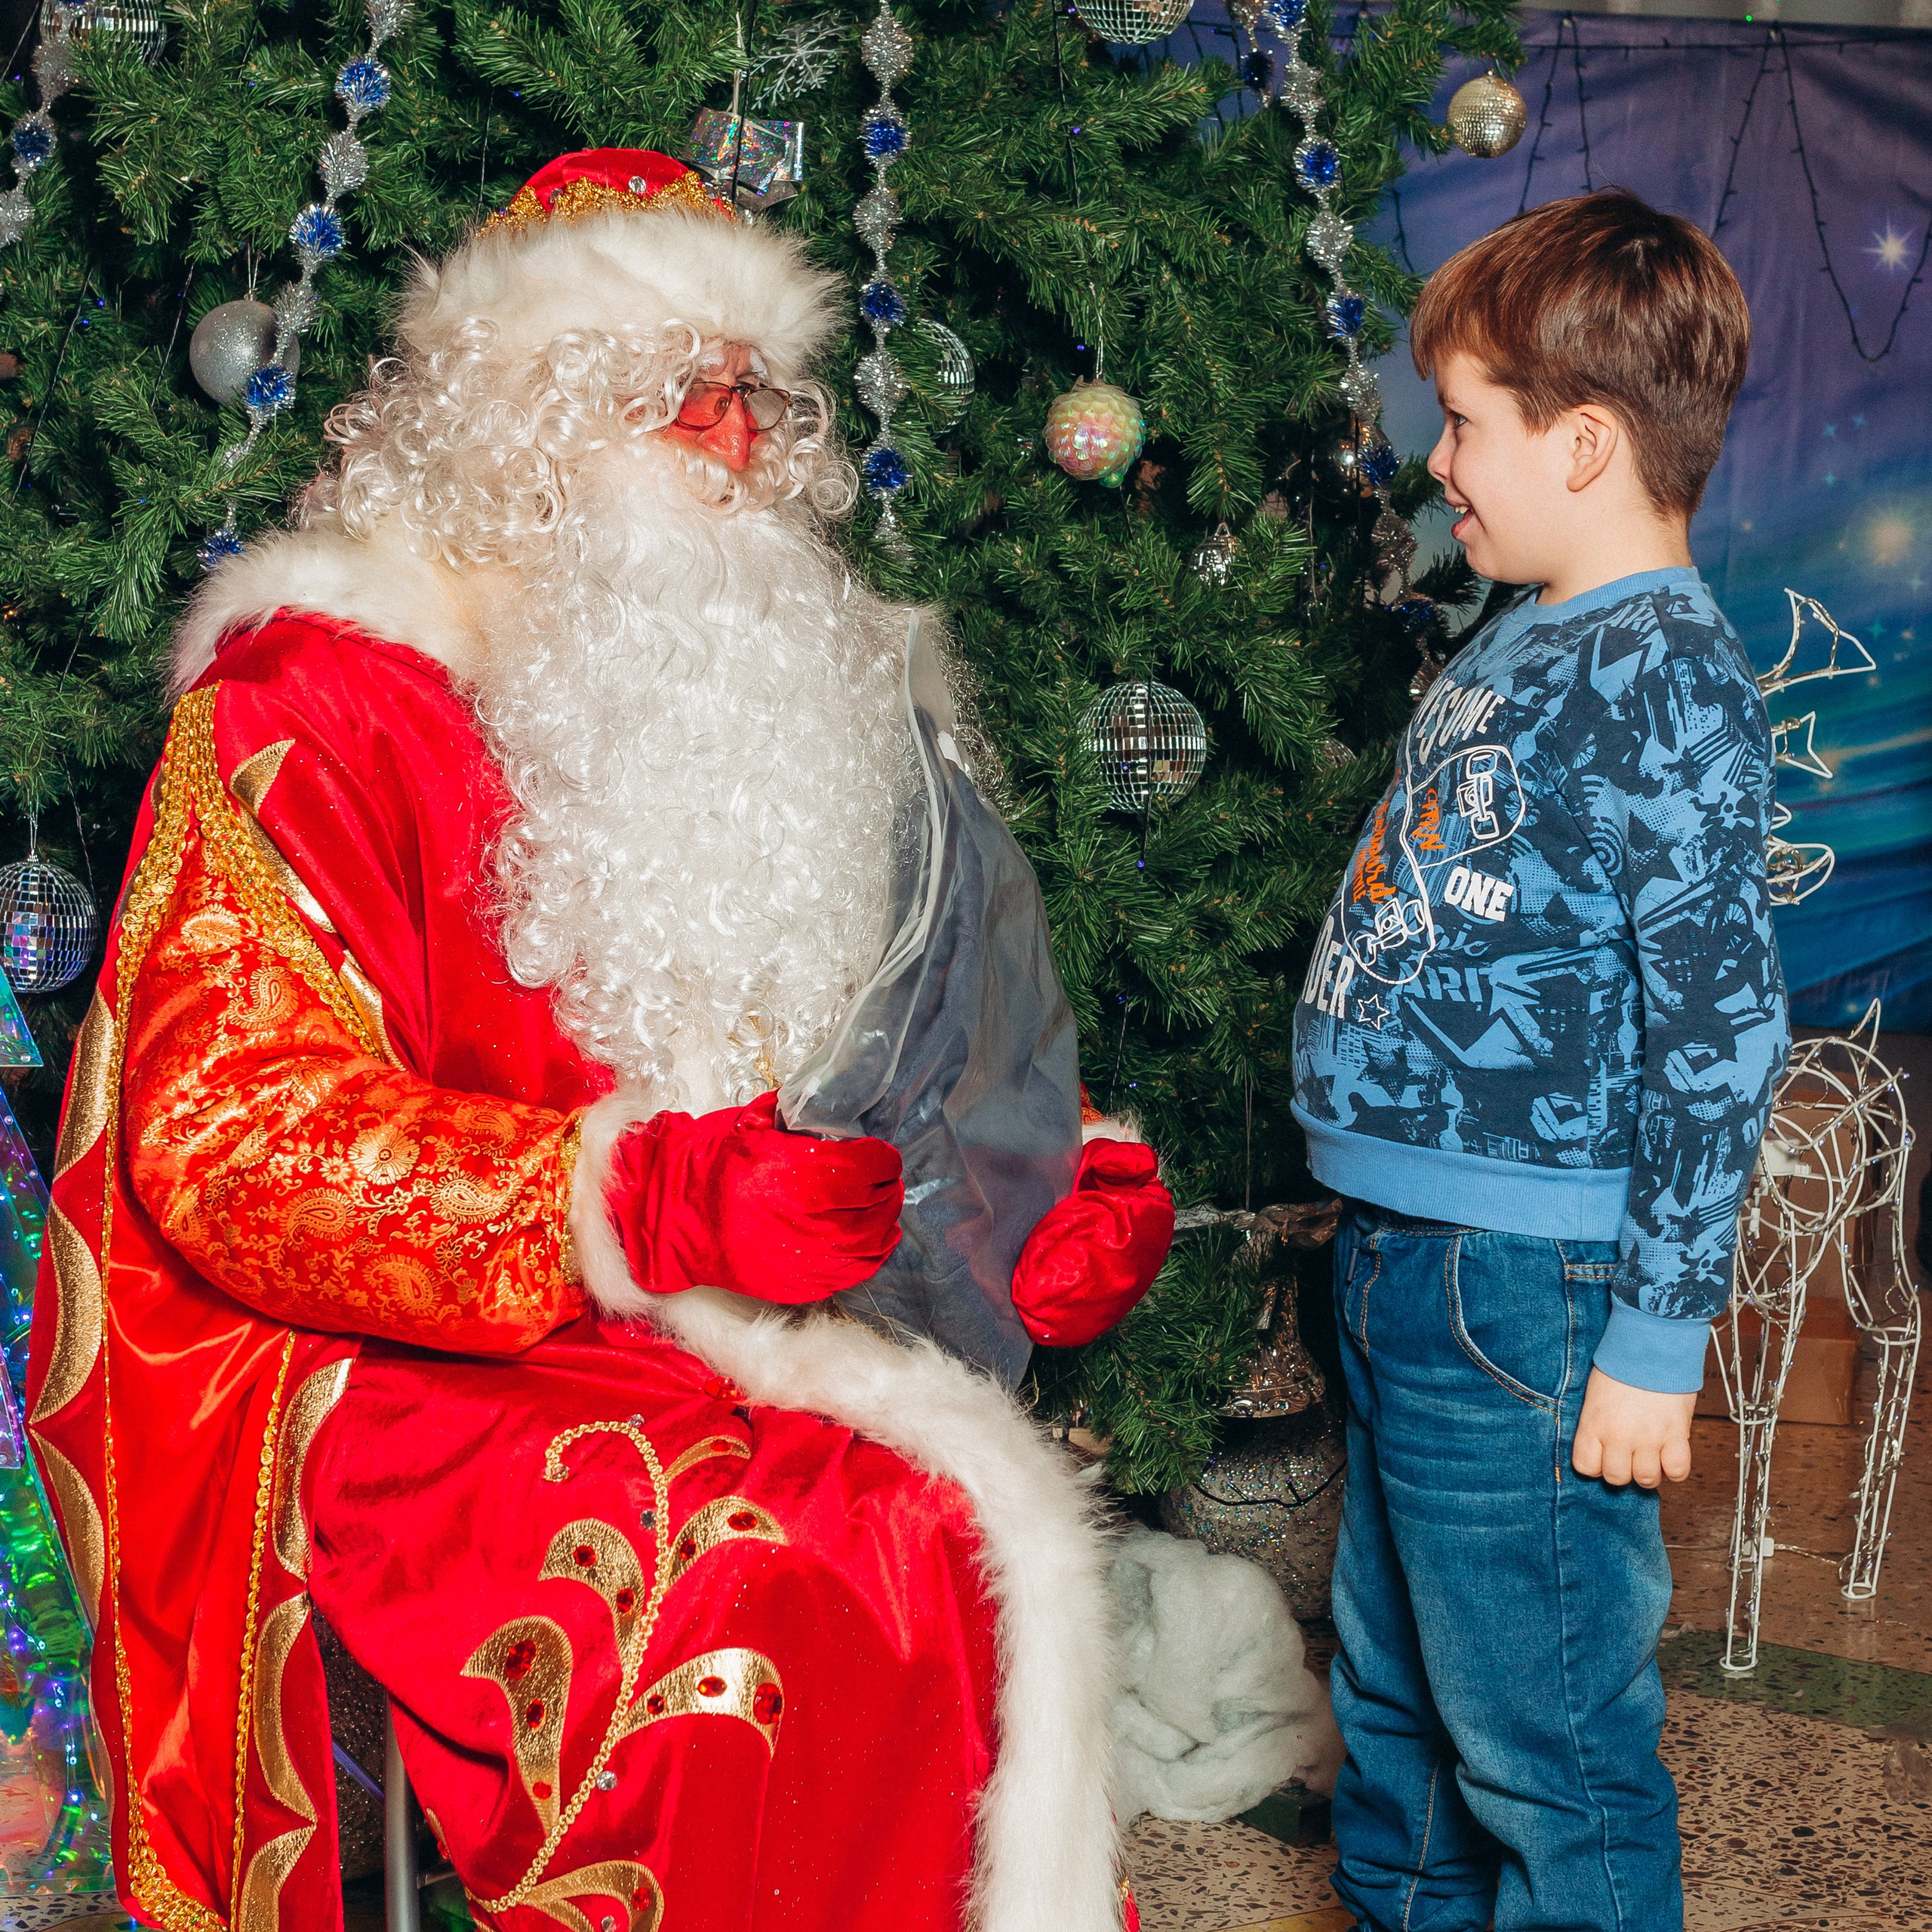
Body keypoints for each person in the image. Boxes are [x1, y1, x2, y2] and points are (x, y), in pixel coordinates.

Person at [25, 149, 1173, 1932]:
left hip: (758, 1312)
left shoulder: (799, 682)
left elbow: (905, 1020)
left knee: (936, 1529)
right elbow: (229, 1131)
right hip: (425, 1348)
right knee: (768, 1571)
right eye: (670, 391)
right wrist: (626, 1198)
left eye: (750, 392)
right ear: (518, 423)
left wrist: (1040, 1179)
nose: (733, 438)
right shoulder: (313, 701)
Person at [1291, 189, 1789, 1932]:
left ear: (1580, 445)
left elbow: (1721, 1025)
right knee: (1396, 1713)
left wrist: (1652, 1341)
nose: (1437, 461)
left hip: (1525, 1288)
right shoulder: (1523, 627)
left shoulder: (1665, 675)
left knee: (1546, 1751)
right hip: (1399, 1257)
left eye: (1462, 424)